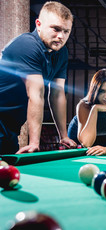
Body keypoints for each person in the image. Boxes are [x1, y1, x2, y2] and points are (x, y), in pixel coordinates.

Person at [0, 1, 77, 154]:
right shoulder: (27, 45)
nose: (61, 36)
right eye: (56, 29)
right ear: (39, 24)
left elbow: (57, 94)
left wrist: (64, 136)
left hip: (10, 127)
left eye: (66, 31)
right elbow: (36, 94)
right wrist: (34, 142)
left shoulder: (61, 53)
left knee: (11, 174)